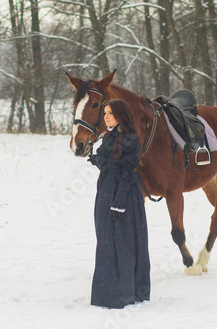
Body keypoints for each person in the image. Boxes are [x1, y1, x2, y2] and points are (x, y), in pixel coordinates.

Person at [88, 99, 151, 309]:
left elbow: (126, 172)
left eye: (110, 113)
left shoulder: (130, 139)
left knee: (122, 242)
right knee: (106, 241)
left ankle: (123, 293)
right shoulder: (109, 137)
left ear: (121, 115)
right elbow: (110, 163)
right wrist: (96, 159)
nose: (106, 117)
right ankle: (107, 292)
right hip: (106, 191)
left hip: (122, 195)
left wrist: (119, 202)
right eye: (104, 113)